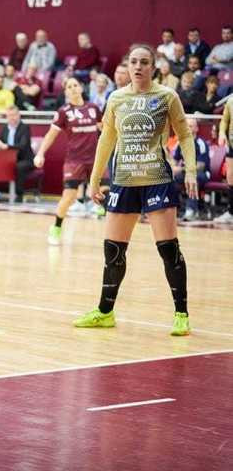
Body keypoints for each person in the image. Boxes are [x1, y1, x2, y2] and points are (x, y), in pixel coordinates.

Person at [74, 44, 196, 336]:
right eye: (133, 62)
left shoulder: (167, 96)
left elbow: (185, 134)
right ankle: (105, 312)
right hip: (124, 181)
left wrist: (190, 170)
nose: (138, 66)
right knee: (113, 251)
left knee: (168, 250)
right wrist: (94, 179)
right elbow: (106, 141)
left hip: (157, 180)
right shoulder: (116, 98)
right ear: (127, 66)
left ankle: (181, 314)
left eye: (144, 62)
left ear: (154, 67)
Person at [33, 78, 102, 245]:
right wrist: (40, 153)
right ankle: (56, 228)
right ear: (65, 92)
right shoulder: (64, 112)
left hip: (95, 158)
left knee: (105, 188)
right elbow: (51, 135)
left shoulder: (93, 108)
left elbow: (104, 130)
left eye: (75, 85)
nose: (72, 88)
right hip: (75, 160)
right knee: (69, 197)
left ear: (81, 87)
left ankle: (102, 214)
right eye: (69, 87)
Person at [0, 106, 35, 202]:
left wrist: (7, 146)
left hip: (25, 159)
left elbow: (22, 146)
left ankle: (19, 194)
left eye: (14, 115)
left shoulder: (25, 128)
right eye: (9, 115)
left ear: (19, 115)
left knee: (19, 167)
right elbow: (0, 141)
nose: (12, 118)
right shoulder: (5, 128)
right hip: (9, 159)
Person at [172, 118, 210, 221]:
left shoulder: (201, 144)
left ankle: (191, 211)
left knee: (193, 178)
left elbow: (200, 166)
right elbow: (174, 162)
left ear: (197, 128)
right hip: (185, 172)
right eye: (187, 126)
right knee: (170, 179)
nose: (187, 128)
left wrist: (183, 169)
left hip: (202, 174)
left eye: (190, 126)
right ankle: (175, 210)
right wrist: (173, 169)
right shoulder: (180, 143)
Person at [216, 94, 233, 224]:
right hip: (231, 145)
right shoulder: (230, 101)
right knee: (231, 178)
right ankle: (231, 212)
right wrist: (222, 133)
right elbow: (225, 121)